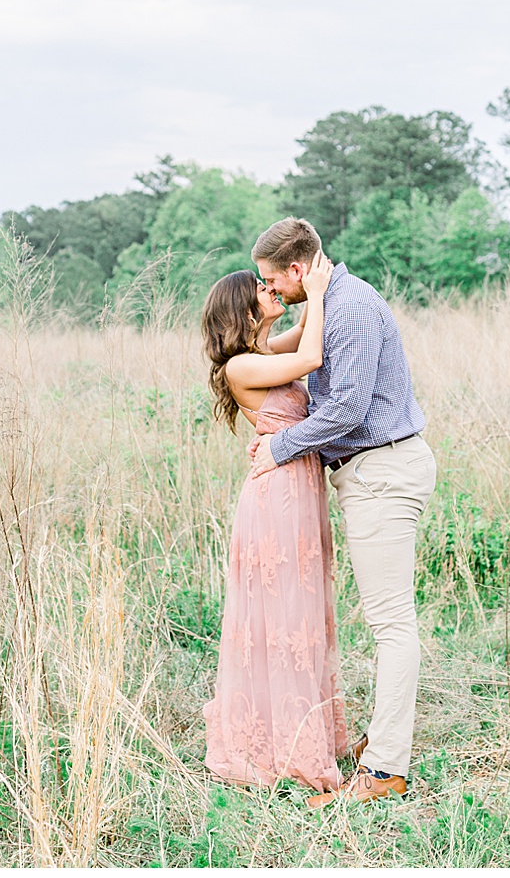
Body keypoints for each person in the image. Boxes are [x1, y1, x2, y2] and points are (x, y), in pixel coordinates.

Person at [247, 217, 435, 809]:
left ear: (297, 269)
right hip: (374, 470)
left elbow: (348, 409)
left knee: (391, 625)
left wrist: (278, 447)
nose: (270, 290)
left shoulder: (349, 309)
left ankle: (385, 771)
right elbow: (274, 355)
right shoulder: (330, 302)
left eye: (272, 281)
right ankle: (381, 743)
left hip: (382, 470)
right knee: (386, 621)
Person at [199, 250, 351, 792]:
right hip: (277, 496)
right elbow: (312, 356)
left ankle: (304, 733)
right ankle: (285, 747)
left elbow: (307, 331)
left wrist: (315, 285)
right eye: (262, 289)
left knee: (300, 612)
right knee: (284, 615)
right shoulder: (241, 366)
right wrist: (317, 293)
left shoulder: (264, 351)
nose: (272, 291)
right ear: (245, 310)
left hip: (298, 485)